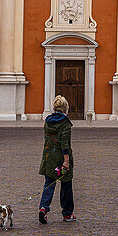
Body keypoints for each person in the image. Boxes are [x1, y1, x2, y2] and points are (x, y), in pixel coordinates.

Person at [38, 95, 75, 223]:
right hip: (61, 158)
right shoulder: (65, 123)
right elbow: (64, 144)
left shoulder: (48, 121)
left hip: (49, 158)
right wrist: (66, 161)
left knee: (49, 184)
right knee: (66, 185)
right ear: (65, 109)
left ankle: (43, 208)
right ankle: (67, 214)